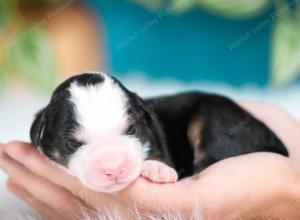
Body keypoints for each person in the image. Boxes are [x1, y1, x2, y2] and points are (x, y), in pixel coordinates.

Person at [0, 102, 300, 220]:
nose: (113, 164)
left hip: (214, 123)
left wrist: (286, 189)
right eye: (76, 143)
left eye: (128, 131)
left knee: (210, 120)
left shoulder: (151, 124)